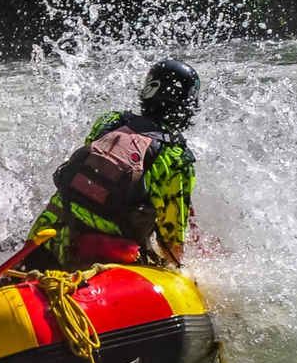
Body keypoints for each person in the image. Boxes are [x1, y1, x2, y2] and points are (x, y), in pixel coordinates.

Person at [23, 59, 200, 272]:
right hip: (97, 263)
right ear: (186, 106)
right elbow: (172, 246)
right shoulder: (177, 158)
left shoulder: (110, 122)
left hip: (43, 239)